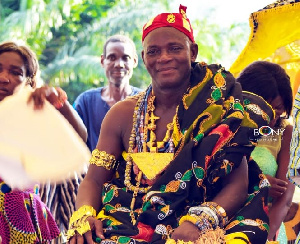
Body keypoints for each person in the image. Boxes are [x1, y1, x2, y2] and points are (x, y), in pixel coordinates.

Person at [66, 6, 275, 243]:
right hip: (127, 221)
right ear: (144, 58)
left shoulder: (220, 110)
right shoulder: (122, 114)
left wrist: (198, 221)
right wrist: (83, 214)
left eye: (174, 48)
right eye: (153, 51)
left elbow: (238, 185)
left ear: (192, 52)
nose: (163, 58)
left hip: (198, 221)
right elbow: (93, 179)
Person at [0, 41, 87, 243]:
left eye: (15, 73)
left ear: (29, 81)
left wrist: (57, 104)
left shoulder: (33, 112)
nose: (4, 78)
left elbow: (80, 137)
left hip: (21, 215)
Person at [236, 61, 296, 242]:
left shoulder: (285, 133)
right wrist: (259, 183)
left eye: (279, 109)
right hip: (222, 223)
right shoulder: (227, 127)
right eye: (266, 108)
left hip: (269, 229)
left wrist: (264, 237)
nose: (272, 117)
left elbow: (285, 198)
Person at [73, 34, 142, 152]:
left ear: (134, 61)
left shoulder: (145, 101)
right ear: (102, 61)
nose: (119, 64)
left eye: (125, 58)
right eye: (112, 57)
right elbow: (71, 140)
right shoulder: (85, 102)